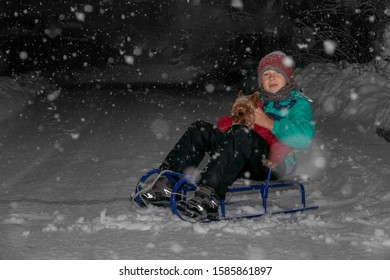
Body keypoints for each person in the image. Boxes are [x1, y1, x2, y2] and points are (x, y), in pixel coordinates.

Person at [137, 51, 316, 221]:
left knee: (241, 134)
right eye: (266, 75)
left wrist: (269, 123)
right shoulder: (256, 101)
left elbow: (304, 138)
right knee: (200, 129)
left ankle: (209, 196)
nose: (271, 78)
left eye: (276, 73)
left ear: (287, 78)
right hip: (241, 154)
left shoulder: (297, 103)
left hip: (273, 163)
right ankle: (168, 185)